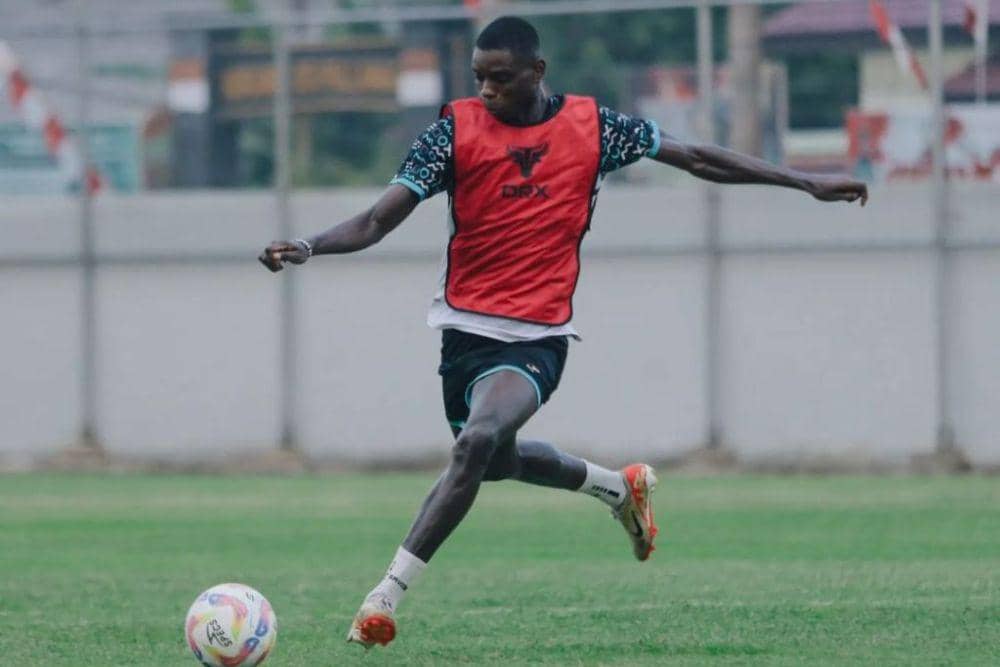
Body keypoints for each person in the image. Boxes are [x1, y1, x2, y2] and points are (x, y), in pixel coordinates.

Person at [259, 16, 868, 650]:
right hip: (464, 333)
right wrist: (309, 245)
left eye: (501, 77)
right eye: (479, 78)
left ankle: (382, 599)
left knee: (476, 444)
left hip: (537, 336)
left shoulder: (595, 128)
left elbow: (694, 157)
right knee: (495, 461)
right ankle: (617, 488)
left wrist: (805, 181)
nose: (488, 90)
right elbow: (377, 220)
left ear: (537, 72)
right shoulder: (452, 134)